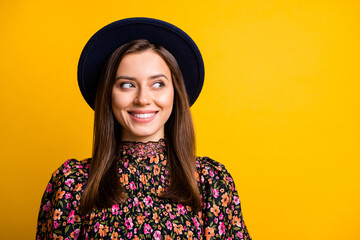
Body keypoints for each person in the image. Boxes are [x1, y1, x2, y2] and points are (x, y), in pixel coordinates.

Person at [36, 17, 251, 240]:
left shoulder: (211, 182)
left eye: (157, 84)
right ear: (109, 95)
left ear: (175, 92)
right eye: (127, 85)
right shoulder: (72, 183)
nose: (143, 99)